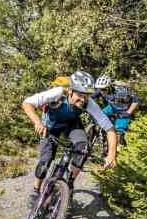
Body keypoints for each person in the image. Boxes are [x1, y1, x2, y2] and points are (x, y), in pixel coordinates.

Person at [21, 71, 118, 209]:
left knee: (83, 147)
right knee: (46, 160)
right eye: (80, 95)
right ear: (71, 91)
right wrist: (37, 122)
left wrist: (111, 154)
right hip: (50, 126)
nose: (83, 99)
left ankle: (69, 184)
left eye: (86, 96)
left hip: (71, 125)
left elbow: (110, 128)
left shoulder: (89, 103)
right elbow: (27, 103)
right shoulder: (58, 93)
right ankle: (36, 190)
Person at [95, 75, 140, 143]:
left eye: (104, 89)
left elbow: (136, 101)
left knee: (119, 133)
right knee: (97, 115)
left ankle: (120, 145)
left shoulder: (122, 90)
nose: (102, 92)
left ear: (110, 87)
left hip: (124, 111)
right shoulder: (101, 90)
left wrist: (128, 112)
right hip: (112, 107)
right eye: (100, 89)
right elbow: (90, 97)